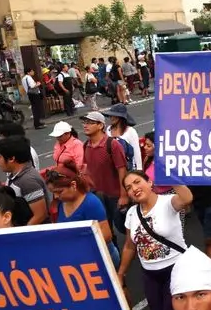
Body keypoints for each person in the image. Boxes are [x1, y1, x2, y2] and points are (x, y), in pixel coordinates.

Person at [118, 170, 194, 310]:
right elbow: (129, 246)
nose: (134, 188)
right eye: (129, 187)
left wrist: (171, 175)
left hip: (175, 270)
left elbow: (187, 198)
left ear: (150, 182)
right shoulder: (132, 214)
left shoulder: (168, 202)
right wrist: (121, 273)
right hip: (150, 274)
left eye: (137, 182)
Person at [45, 162, 120, 267]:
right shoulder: (61, 204)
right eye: (53, 192)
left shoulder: (90, 203)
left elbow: (107, 235)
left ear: (73, 185)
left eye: (59, 191)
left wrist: (77, 244)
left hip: (103, 259)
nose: (56, 196)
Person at [81, 111, 130, 245]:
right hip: (97, 195)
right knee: (105, 229)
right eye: (84, 122)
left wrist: (123, 195)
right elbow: (87, 169)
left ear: (100, 125)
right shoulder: (86, 145)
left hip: (115, 195)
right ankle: (115, 258)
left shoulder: (112, 145)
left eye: (90, 122)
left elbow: (122, 170)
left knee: (123, 226)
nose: (85, 125)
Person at [0, 135, 51, 226]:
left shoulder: (28, 181)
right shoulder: (13, 175)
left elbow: (40, 215)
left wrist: (21, 234)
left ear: (11, 159)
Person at [103, 104, 143, 171]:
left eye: (114, 115)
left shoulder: (131, 131)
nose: (111, 117)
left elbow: (136, 152)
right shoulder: (108, 129)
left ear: (120, 117)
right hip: (112, 167)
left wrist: (139, 170)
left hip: (128, 168)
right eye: (110, 115)